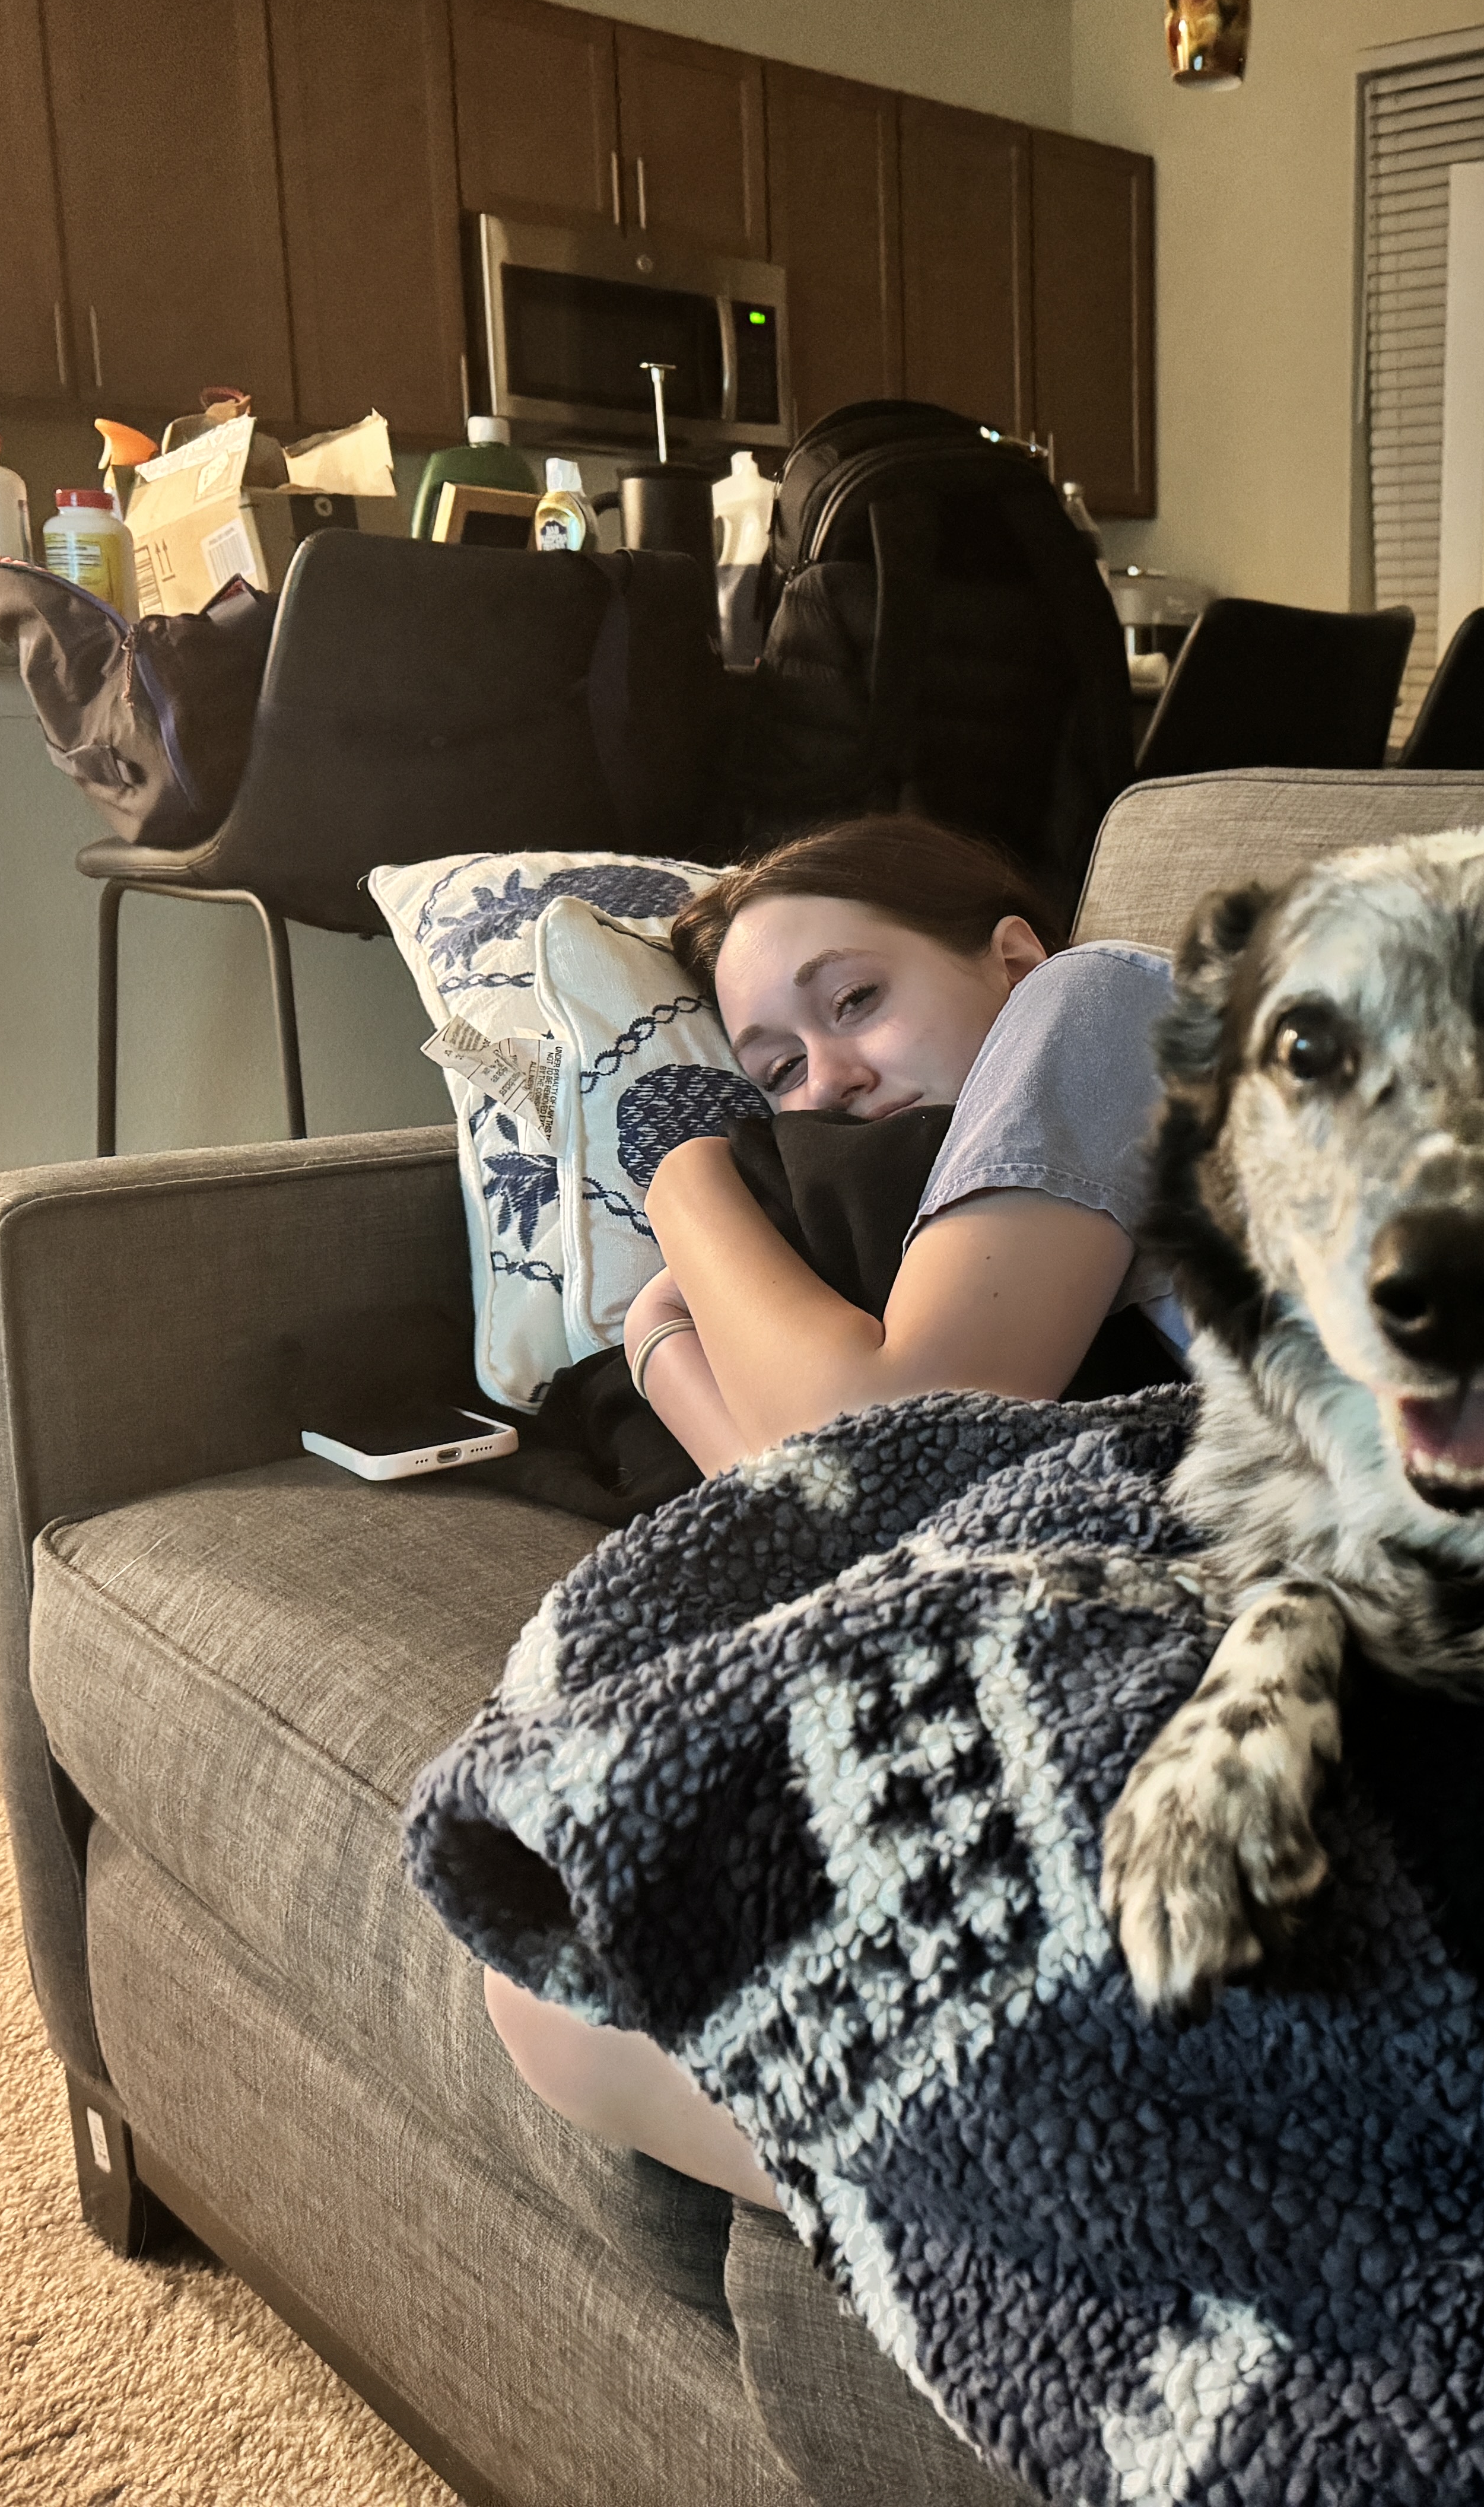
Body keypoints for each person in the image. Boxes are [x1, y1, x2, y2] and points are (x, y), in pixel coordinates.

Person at [480, 811, 1185, 2204]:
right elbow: (837, 1514)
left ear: (1008, 952)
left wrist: (684, 1179)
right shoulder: (970, 1219)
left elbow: (899, 1441)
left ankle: (1073, 2201)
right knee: (561, 1974)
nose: (833, 1080)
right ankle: (1050, 2196)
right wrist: (663, 1355)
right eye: (778, 1072)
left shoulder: (1100, 998)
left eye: (857, 999)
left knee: (583, 1979)